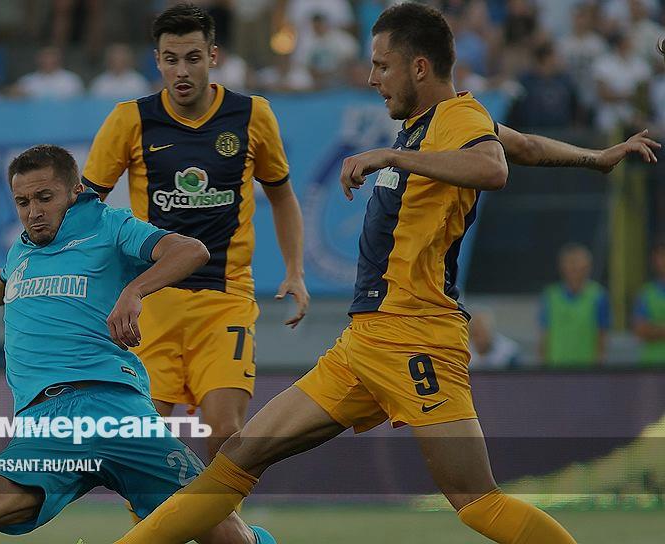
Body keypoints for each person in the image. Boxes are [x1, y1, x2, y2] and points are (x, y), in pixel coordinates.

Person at [113, 4, 661, 544]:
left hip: (418, 336)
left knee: (476, 500)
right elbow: (524, 147)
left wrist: (392, 158)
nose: (373, 79)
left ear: (419, 67)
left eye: (381, 66)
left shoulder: (457, 118)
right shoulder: (435, 124)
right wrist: (596, 158)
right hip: (365, 341)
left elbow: (493, 166)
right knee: (239, 454)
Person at [0, 145, 276, 544]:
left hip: (115, 410)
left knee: (223, 534)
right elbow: (0, 283)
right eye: (23, 202)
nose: (34, 212)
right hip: (47, 425)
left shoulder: (108, 225)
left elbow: (191, 251)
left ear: (74, 191)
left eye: (45, 198)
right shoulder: (21, 252)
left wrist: (134, 291)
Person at [82, 3, 309, 462]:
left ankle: (216, 511)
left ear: (213, 56)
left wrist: (295, 270)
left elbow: (282, 195)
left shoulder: (252, 115)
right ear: (157, 60)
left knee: (226, 432)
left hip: (225, 298)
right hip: (153, 300)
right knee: (143, 443)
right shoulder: (130, 119)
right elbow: (87, 208)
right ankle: (168, 511)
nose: (181, 71)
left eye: (192, 58)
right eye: (171, 59)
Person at [539, 243, 609, 368]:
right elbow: (545, 335)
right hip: (556, 368)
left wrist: (598, 367)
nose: (574, 267)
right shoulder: (550, 296)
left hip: (587, 369)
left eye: (578, 263)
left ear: (588, 266)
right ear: (562, 266)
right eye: (570, 262)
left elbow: (601, 337)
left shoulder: (598, 296)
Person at [632, 240, 665, 366]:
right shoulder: (645, 294)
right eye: (662, 255)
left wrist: (654, 328)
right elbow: (640, 331)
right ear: (654, 259)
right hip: (651, 366)